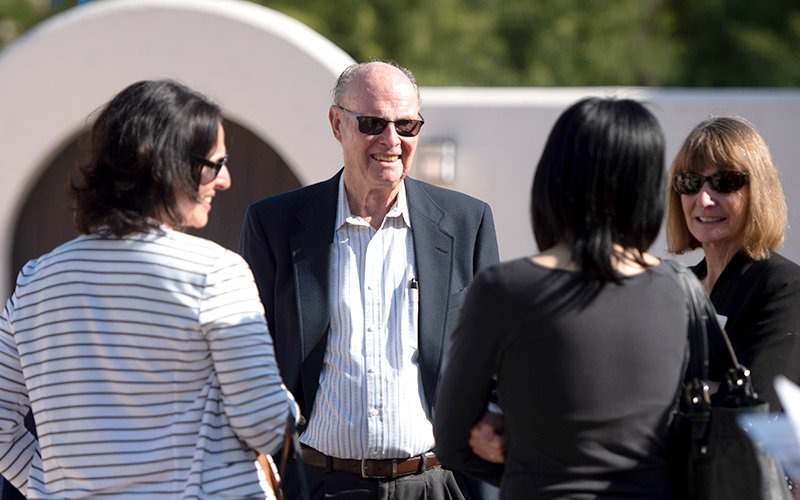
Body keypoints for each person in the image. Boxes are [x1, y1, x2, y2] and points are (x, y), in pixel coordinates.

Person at [0, 79, 295, 499]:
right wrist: (289, 405)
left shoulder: (36, 280)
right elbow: (265, 424)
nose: (224, 179)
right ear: (168, 165)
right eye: (215, 163)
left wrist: (47, 486)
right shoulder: (215, 272)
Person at [239, 60, 500, 499]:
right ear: (336, 124)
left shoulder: (466, 222)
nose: (391, 140)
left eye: (407, 125)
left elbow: (494, 360)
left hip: (436, 484)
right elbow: (252, 362)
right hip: (319, 485)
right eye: (373, 123)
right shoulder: (275, 224)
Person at [433, 97, 689, 499]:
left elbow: (451, 440)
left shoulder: (507, 289)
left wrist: (525, 464)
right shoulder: (679, 290)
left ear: (554, 179)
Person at [666, 116, 800, 412]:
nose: (704, 199)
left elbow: (759, 404)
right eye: (690, 182)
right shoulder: (672, 287)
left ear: (758, 192)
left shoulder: (785, 287)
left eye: (724, 182)